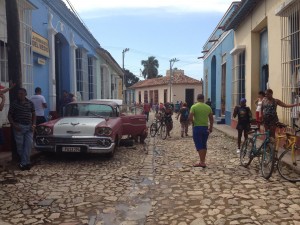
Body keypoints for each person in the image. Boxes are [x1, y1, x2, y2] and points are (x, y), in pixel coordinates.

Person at [8, 88, 36, 171]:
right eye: (18, 94)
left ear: (25, 94)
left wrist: (34, 124)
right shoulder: (14, 104)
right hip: (18, 127)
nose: (19, 95)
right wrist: (13, 124)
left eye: (21, 94)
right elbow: (9, 115)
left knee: (28, 145)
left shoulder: (30, 103)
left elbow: (34, 114)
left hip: (29, 127)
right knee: (20, 147)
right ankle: (26, 163)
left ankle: (24, 163)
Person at [189, 94, 213, 168]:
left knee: (199, 145)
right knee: (204, 144)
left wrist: (193, 123)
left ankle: (202, 162)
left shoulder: (194, 107)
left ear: (197, 99)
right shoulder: (208, 107)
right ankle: (203, 161)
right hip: (205, 128)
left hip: (197, 127)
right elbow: (211, 119)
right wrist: (211, 128)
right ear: (203, 99)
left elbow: (190, 117)